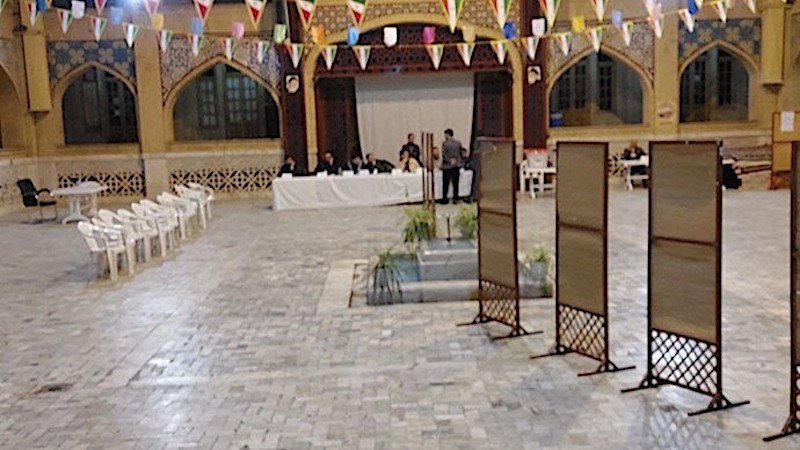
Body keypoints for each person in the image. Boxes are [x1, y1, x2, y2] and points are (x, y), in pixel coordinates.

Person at [440, 128, 464, 204]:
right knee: (455, 183)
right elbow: (461, 153)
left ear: (447, 135)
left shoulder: (445, 144)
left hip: (447, 166)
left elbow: (444, 155)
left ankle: (445, 199)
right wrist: (457, 161)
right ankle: (455, 198)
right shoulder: (458, 143)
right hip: (456, 165)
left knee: (446, 183)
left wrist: (449, 160)